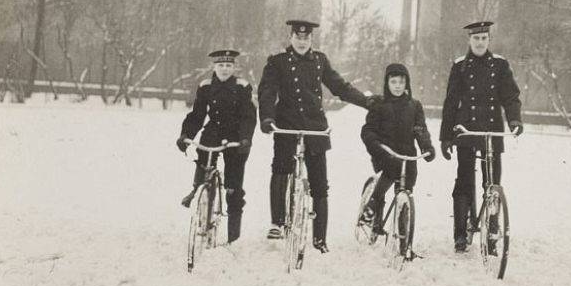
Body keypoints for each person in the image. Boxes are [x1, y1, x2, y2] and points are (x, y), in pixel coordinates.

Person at [258, 19, 377, 253]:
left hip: (315, 127)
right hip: (287, 126)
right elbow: (267, 92)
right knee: (281, 169)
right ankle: (277, 223)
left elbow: (340, 87)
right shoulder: (277, 62)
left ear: (311, 39)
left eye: (306, 38)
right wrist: (267, 118)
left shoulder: (319, 61)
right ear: (291, 38)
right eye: (298, 37)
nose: (302, 42)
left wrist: (366, 102)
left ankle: (320, 239)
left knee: (320, 184)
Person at [439, 21, 523, 253]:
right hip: (467, 130)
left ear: (489, 40)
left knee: (493, 183)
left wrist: (514, 120)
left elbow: (510, 96)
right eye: (476, 39)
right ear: (469, 40)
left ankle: (492, 232)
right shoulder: (460, 66)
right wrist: (446, 137)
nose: (480, 43)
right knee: (464, 180)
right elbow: (451, 103)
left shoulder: (500, 64)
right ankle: (460, 234)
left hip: (492, 130)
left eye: (484, 38)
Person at [176, 49, 257, 244]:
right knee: (203, 157)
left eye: (228, 65)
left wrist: (245, 139)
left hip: (235, 136)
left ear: (234, 67)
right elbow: (197, 115)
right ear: (214, 67)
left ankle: (233, 237)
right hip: (213, 132)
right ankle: (198, 190)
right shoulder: (206, 86)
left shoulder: (242, 86)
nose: (224, 69)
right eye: (221, 65)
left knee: (233, 186)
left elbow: (248, 116)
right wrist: (186, 135)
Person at [359, 63, 435, 235]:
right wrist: (375, 144)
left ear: (406, 83)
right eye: (393, 82)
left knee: (407, 186)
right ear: (387, 83)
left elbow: (420, 129)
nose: (397, 86)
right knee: (391, 170)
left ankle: (403, 234)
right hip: (385, 152)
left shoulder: (414, 105)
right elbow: (368, 130)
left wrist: (426, 146)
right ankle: (372, 205)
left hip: (407, 154)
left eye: (401, 82)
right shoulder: (379, 104)